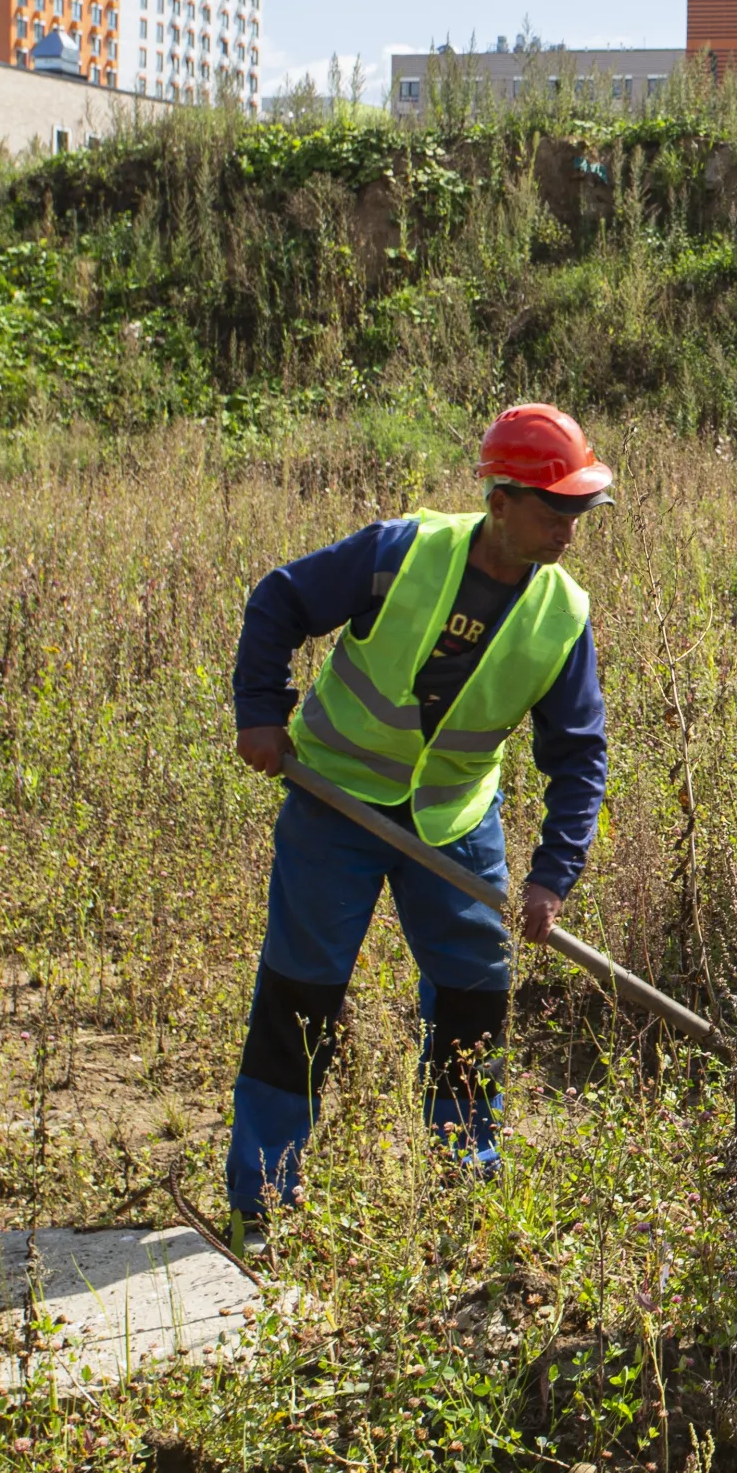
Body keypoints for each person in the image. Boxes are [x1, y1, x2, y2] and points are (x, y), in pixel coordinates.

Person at [221, 404, 613, 1239]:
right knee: (303, 991)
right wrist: (261, 711)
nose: (567, 530)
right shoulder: (400, 553)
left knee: (476, 993)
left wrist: (551, 876)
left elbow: (578, 755)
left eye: (578, 512)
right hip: (336, 798)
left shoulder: (561, 614)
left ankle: (462, 1182)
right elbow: (278, 601)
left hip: (455, 817)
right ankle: (265, 1195)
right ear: (498, 502)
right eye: (553, 510)